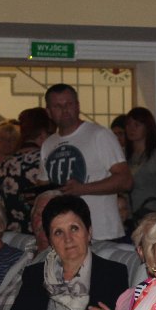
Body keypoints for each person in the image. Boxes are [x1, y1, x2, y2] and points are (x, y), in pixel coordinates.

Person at [1, 195, 128, 310]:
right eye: (58, 232)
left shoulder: (113, 274)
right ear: (50, 241)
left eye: (74, 228)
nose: (68, 239)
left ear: (89, 232)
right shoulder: (36, 275)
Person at [39, 84, 132, 241]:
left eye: (69, 104)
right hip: (64, 235)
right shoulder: (48, 144)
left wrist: (82, 188)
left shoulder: (99, 135)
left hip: (101, 232)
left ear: (78, 106)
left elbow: (125, 180)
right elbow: (43, 186)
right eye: (58, 106)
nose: (64, 110)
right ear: (49, 112)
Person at [0, 189, 61, 310]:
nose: (45, 221)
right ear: (32, 220)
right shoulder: (27, 253)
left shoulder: (60, 258)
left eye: (51, 214)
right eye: (39, 214)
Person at [0, 107, 55, 234]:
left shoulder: (6, 164)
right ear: (43, 134)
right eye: (51, 134)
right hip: (37, 234)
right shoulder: (45, 161)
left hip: (11, 234)